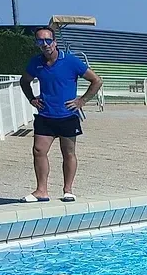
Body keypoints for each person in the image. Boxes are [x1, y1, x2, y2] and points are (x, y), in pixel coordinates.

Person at [20, 27, 103, 204]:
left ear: (55, 42)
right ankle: (41, 191)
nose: (45, 44)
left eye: (48, 40)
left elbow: (96, 80)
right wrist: (31, 99)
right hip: (45, 115)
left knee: (68, 153)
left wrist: (82, 101)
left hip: (67, 115)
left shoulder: (71, 61)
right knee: (38, 151)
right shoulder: (36, 62)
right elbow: (24, 81)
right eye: (40, 41)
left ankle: (68, 190)